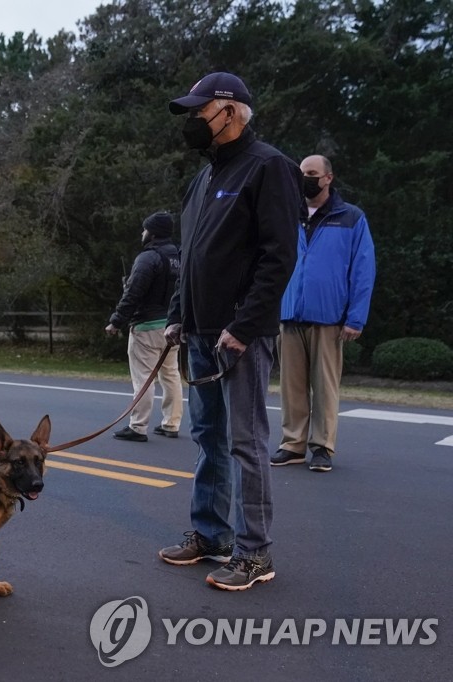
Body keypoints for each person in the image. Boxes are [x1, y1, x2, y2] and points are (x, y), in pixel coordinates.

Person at [158, 72, 300, 591]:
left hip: (239, 336)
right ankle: (210, 534)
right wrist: (178, 313)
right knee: (208, 439)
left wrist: (244, 325)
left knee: (246, 443)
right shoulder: (202, 180)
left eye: (200, 111)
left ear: (232, 111)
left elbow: (278, 257)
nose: (194, 121)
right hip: (199, 331)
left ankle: (255, 552)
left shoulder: (269, 167)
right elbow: (190, 258)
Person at [272, 155, 376, 473]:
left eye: (312, 173)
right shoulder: (287, 214)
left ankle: (322, 446)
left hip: (329, 317)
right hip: (289, 314)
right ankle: (293, 444)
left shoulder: (351, 217)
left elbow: (363, 270)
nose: (306, 178)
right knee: (291, 386)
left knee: (325, 385)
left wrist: (355, 317)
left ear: (328, 177)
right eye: (302, 173)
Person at [106, 211, 183, 442]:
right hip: (172, 325)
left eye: (145, 229)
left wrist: (116, 321)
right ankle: (171, 423)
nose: (142, 233)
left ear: (152, 232)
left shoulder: (147, 258)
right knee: (170, 374)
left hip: (146, 327)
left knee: (143, 377)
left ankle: (138, 426)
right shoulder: (179, 256)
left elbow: (133, 294)